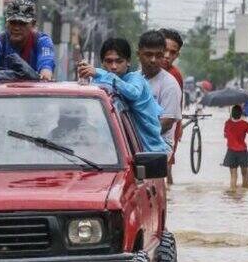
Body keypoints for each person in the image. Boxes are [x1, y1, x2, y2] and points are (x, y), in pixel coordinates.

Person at [77, 38, 168, 153]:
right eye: (109, 61)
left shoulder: (136, 79)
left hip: (151, 152)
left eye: (119, 61)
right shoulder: (103, 84)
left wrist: (100, 73)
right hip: (115, 152)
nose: (114, 66)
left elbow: (132, 93)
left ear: (128, 62)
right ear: (103, 63)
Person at [0, 0, 55, 82]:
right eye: (13, 22)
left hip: (33, 94)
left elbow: (46, 66)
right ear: (6, 23)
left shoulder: (42, 42)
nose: (16, 28)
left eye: (22, 23)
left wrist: (45, 75)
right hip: (0, 94)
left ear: (33, 24)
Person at [135, 30, 182, 153]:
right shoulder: (132, 79)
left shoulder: (170, 84)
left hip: (159, 147)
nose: (153, 60)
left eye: (158, 55)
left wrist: (134, 134)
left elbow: (166, 123)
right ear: (138, 54)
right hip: (134, 145)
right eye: (148, 54)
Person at [160, 28, 185, 182]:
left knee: (165, 166)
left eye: (172, 52)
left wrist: (179, 124)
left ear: (177, 55)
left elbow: (178, 104)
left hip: (167, 126)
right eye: (164, 50)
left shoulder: (175, 75)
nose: (167, 56)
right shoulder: (143, 71)